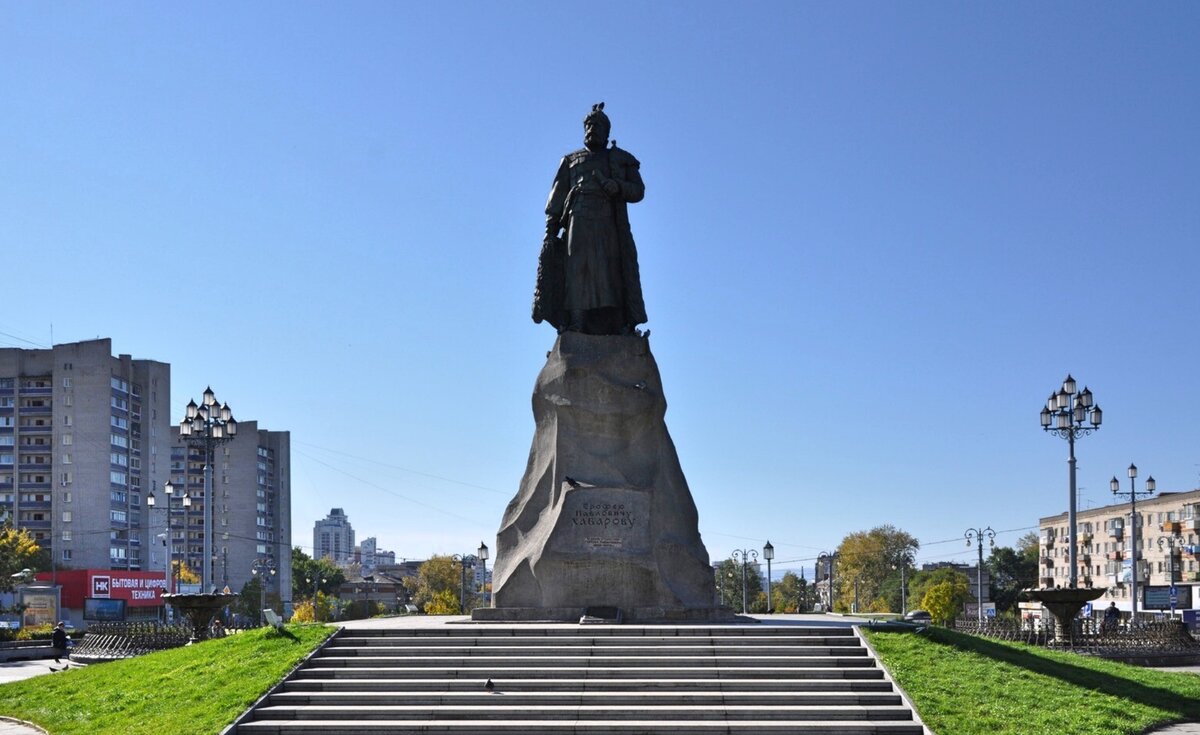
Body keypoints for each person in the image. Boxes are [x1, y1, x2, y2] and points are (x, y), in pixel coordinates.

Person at [533, 102, 647, 335]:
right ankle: (577, 320)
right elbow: (556, 199)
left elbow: (638, 190)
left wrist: (617, 186)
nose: (591, 128)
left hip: (608, 223)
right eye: (588, 124)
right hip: (578, 220)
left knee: (610, 271)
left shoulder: (620, 159)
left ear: (607, 132)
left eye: (597, 125)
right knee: (576, 270)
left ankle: (616, 323)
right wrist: (549, 232)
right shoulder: (570, 160)